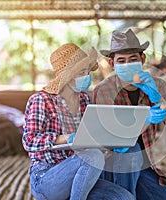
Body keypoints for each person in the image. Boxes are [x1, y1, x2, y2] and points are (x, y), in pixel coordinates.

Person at [22, 43, 135, 200]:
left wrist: (109, 144)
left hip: (81, 176)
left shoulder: (84, 100)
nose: (87, 75)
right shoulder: (41, 100)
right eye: (82, 72)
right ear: (67, 76)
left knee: (125, 198)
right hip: (46, 178)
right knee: (93, 157)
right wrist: (67, 138)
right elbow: (29, 141)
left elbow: (90, 138)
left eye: (88, 71)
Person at [93, 29, 166, 199]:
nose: (127, 64)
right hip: (114, 162)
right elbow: (113, 138)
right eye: (121, 61)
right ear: (112, 64)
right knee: (130, 152)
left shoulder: (158, 85)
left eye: (133, 59)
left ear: (142, 59)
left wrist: (156, 96)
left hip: (146, 165)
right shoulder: (104, 90)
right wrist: (144, 120)